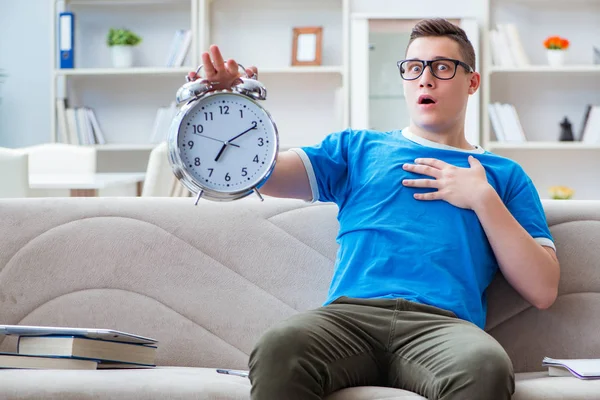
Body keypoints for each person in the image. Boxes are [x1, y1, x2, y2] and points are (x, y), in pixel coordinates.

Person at [189, 18, 560, 400]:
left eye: (442, 67)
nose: (425, 79)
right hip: (350, 318)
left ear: (472, 82)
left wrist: (483, 199)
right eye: (414, 67)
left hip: (443, 329)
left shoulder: (504, 175)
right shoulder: (357, 149)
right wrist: (228, 106)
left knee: (486, 366)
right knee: (280, 346)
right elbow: (259, 175)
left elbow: (543, 289)